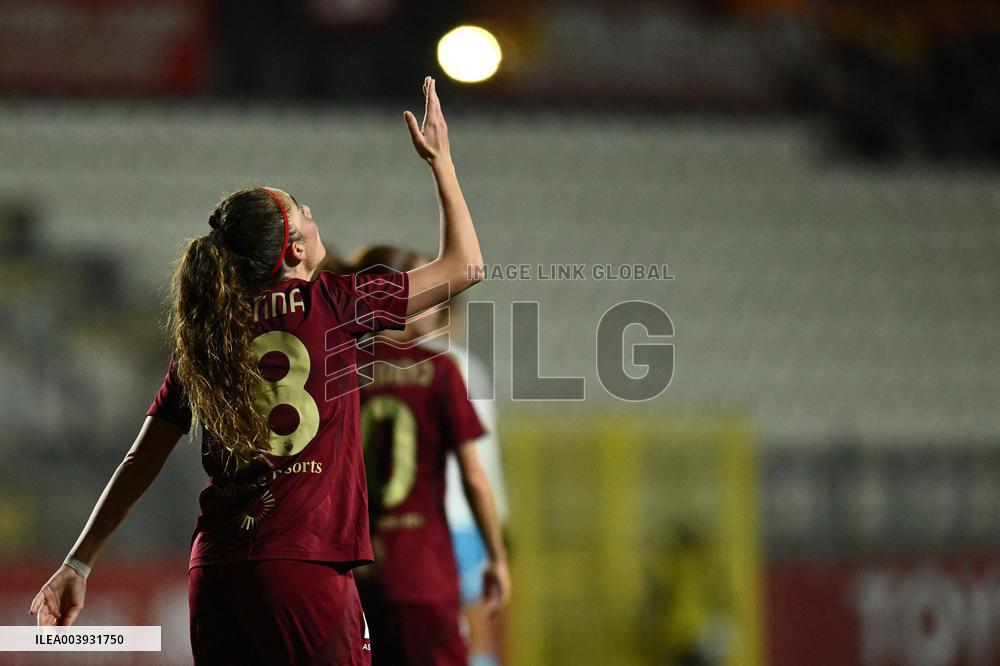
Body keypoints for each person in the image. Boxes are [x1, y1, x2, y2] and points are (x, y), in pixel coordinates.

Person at [29, 76, 484, 666]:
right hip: (305, 575)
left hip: (216, 575)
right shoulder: (335, 304)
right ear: (294, 249)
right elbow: (465, 265)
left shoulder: (206, 335)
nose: (313, 213)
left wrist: (77, 562)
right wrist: (442, 164)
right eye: (302, 211)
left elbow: (139, 459)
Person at [349, 245, 510, 665]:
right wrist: (498, 548)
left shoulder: (337, 370)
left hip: (358, 558)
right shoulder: (445, 366)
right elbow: (477, 471)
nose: (436, 298)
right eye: (426, 287)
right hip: (438, 539)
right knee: (472, 644)